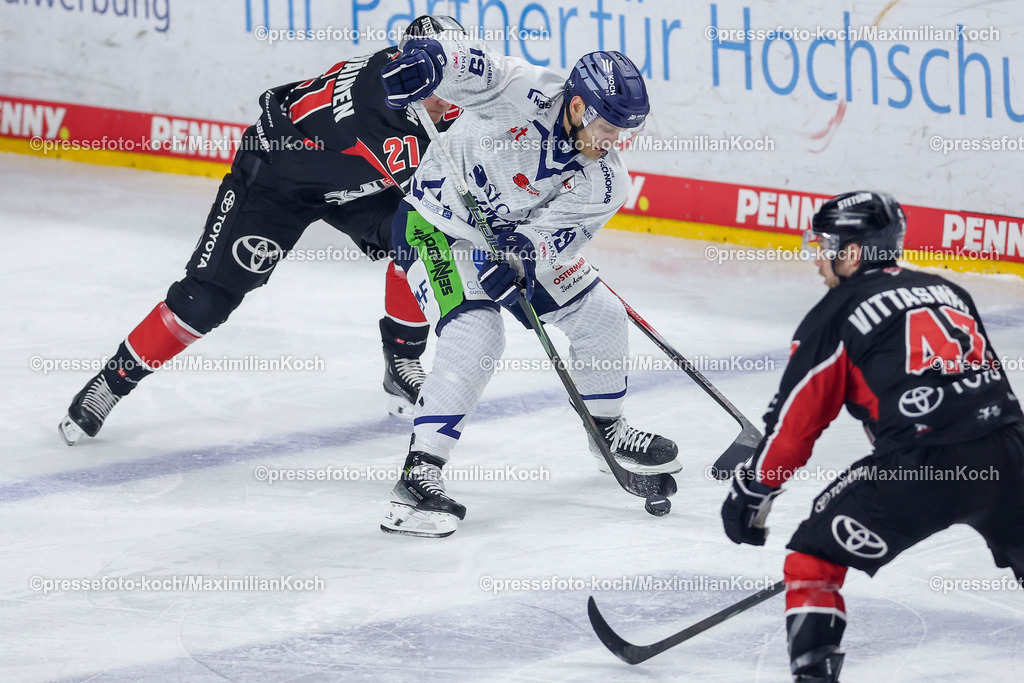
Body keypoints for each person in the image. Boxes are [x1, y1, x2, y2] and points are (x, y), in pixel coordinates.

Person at [58, 43, 462, 445]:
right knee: (206, 300)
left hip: (350, 175)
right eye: (434, 88)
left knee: (422, 235)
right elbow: (441, 186)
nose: (445, 100)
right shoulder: (379, 104)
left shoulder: (430, 86)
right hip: (276, 179)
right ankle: (112, 382)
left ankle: (402, 359)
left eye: (450, 82)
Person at [375, 15, 680, 538]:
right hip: (436, 222)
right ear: (579, 106)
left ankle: (606, 430)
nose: (614, 142)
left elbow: (553, 239)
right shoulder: (528, 92)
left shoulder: (607, 183)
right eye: (609, 128)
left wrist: (521, 257)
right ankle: (418, 476)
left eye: (626, 132)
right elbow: (470, 62)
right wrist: (428, 60)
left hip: (508, 241)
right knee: (476, 332)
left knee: (601, 313)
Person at [720, 191, 1024, 682]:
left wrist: (752, 491)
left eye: (825, 244)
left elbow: (796, 426)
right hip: (1012, 453)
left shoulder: (835, 313)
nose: (818, 255)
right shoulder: (949, 291)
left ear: (854, 252)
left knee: (812, 558)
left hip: (923, 466)